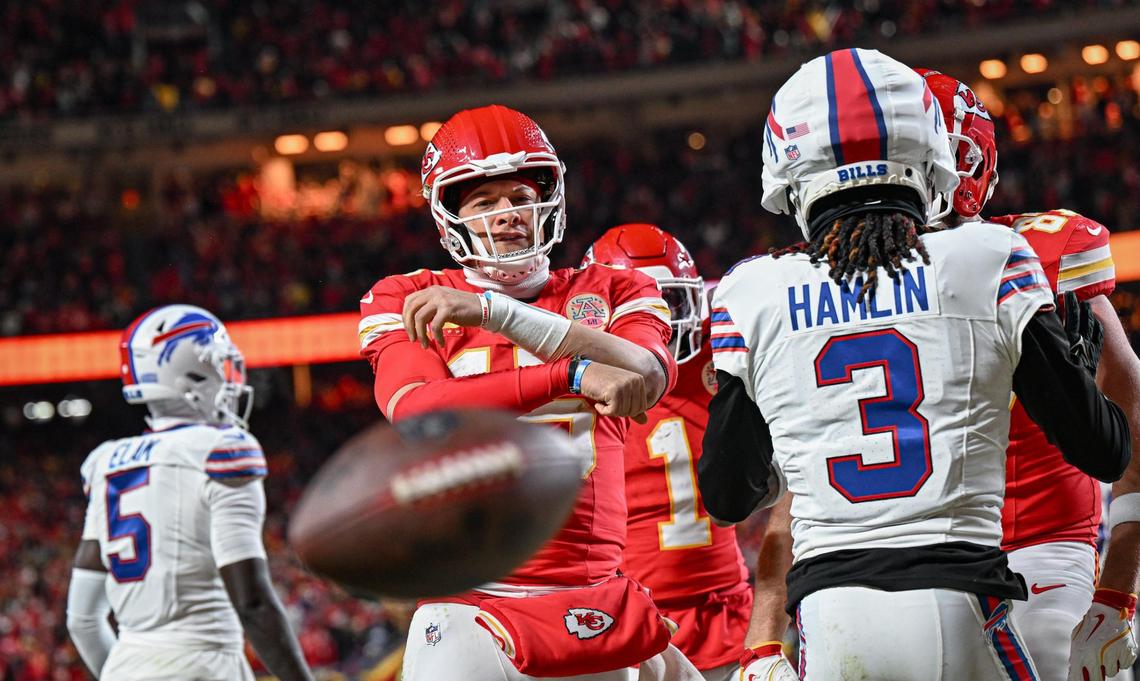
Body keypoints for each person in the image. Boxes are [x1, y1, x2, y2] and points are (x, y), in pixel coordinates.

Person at [697, 47, 1130, 679]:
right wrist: (1073, 369)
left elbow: (727, 496)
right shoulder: (993, 256)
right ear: (931, 152)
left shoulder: (752, 290)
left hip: (832, 610)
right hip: (965, 594)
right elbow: (1105, 452)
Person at [358, 105, 700, 681]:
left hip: (594, 595)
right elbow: (414, 408)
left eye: (520, 196)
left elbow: (648, 373)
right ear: (449, 216)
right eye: (484, 202)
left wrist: (494, 312)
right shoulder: (406, 295)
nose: (508, 214)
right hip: (473, 601)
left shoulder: (617, 287)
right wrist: (570, 376)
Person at [916, 67, 1140, 681]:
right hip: (910, 561)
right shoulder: (839, 279)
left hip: (1038, 545)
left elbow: (1132, 406)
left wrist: (1117, 588)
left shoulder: (1042, 252)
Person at [66, 304, 313, 681]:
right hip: (203, 664)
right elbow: (252, 602)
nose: (229, 378)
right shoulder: (220, 450)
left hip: (124, 666)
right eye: (218, 365)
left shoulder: (107, 463)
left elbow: (82, 620)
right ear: (188, 377)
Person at [581, 224, 752, 681]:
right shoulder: (572, 377)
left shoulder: (722, 348)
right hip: (627, 614)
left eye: (669, 302)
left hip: (725, 610)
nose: (656, 321)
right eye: (634, 304)